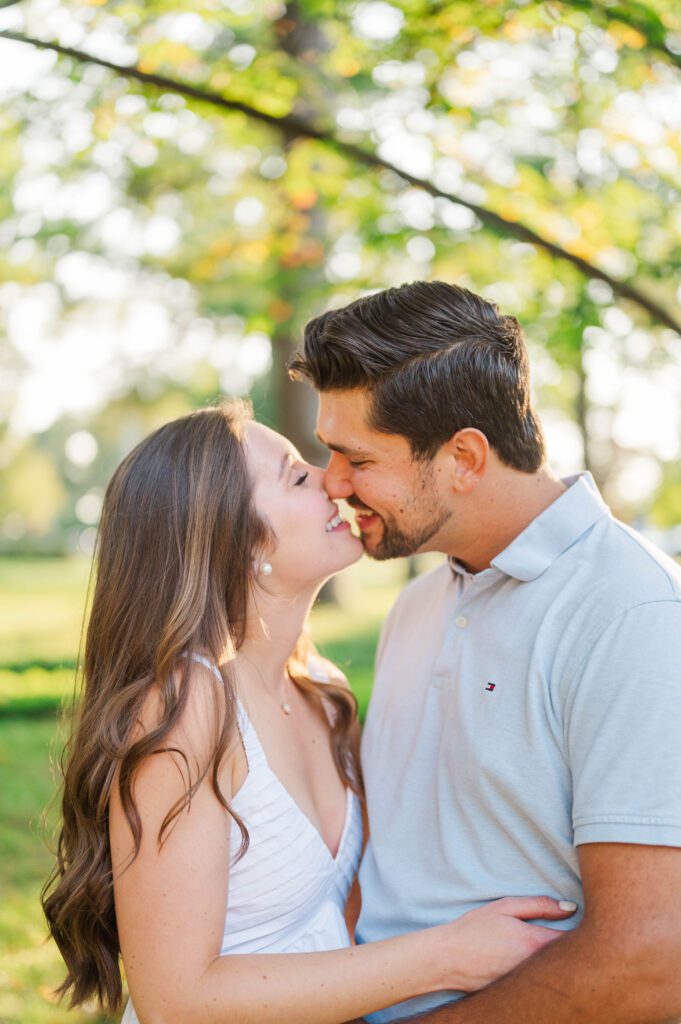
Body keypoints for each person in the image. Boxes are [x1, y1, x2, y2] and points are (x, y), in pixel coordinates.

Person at [41, 400, 576, 1024]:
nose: (333, 480)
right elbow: (176, 1001)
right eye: (297, 476)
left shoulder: (320, 688)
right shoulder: (187, 706)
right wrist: (448, 956)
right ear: (236, 542)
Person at [289, 279, 681, 1024]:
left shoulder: (634, 615)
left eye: (357, 459)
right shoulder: (419, 604)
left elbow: (652, 958)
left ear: (465, 457)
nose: (332, 484)